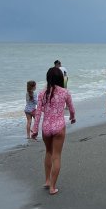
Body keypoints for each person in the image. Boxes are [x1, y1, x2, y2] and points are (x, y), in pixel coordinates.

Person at [31, 66, 76, 195]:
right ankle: (52, 187)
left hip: (46, 128)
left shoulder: (42, 93)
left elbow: (38, 113)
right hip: (59, 127)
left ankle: (47, 181)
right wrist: (72, 117)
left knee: (48, 152)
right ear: (60, 78)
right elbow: (71, 108)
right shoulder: (65, 92)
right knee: (56, 156)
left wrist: (35, 130)